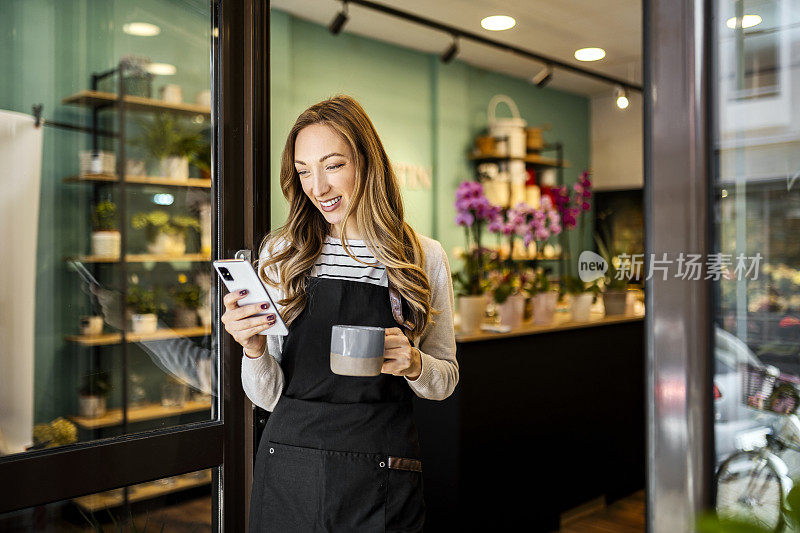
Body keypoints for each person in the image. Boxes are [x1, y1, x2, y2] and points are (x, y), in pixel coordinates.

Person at [221, 95, 458, 532]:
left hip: (382, 473)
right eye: (303, 171)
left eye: (333, 166)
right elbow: (269, 397)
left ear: (367, 163)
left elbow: (443, 382)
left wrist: (415, 363)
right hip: (290, 463)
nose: (318, 187)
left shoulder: (422, 255)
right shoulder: (282, 253)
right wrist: (252, 349)